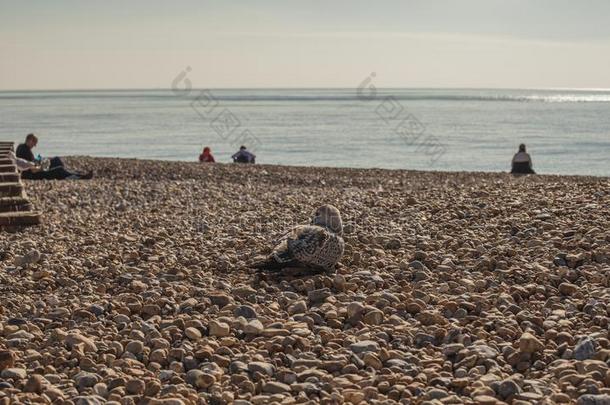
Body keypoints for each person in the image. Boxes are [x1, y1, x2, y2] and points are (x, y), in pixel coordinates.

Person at [15, 133, 93, 180]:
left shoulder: (21, 147)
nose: (34, 146)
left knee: (56, 160)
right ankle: (80, 177)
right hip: (33, 175)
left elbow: (29, 162)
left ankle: (71, 173)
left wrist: (40, 162)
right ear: (29, 140)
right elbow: (32, 170)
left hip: (34, 168)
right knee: (58, 170)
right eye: (34, 143)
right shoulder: (25, 150)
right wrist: (43, 167)